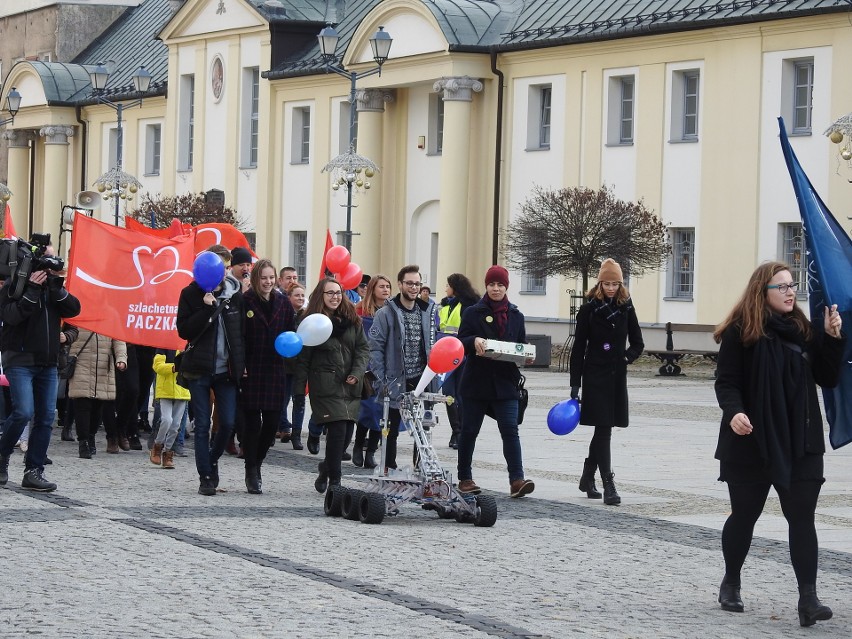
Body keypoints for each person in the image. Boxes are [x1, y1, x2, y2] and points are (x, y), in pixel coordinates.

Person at [713, 261, 844, 626]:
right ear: (762, 291)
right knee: (745, 515)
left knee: (802, 517)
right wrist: (734, 412)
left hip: (800, 440)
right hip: (751, 438)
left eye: (792, 285)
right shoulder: (742, 332)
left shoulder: (804, 330)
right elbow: (727, 382)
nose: (790, 292)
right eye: (782, 287)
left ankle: (808, 599)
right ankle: (731, 581)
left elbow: (828, 378)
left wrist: (832, 338)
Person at [0, 245, 81, 491]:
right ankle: (2, 457)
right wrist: (32, 290)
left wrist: (56, 286)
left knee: (46, 417)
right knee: (24, 411)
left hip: (48, 362)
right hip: (20, 359)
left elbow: (75, 309)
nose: (49, 268)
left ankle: (33, 470)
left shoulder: (54, 290)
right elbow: (11, 317)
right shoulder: (14, 286)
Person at [455, 265, 535, 498]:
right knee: (469, 431)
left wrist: (526, 356)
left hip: (505, 383)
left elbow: (520, 343)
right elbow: (461, 342)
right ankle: (465, 478)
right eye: (492, 284)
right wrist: (474, 341)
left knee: (510, 430)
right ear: (486, 286)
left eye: (500, 285)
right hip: (476, 382)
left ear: (506, 287)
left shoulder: (516, 316)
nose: (496, 289)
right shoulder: (472, 312)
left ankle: (517, 480)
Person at [569, 258, 644, 505]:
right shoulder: (589, 309)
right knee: (603, 429)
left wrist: (626, 357)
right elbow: (579, 347)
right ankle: (608, 483)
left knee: (605, 428)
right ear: (599, 283)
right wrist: (575, 384)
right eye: (607, 283)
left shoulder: (626, 306)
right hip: (594, 374)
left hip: (616, 375)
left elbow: (638, 342)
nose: (611, 288)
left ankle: (588, 475)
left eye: (615, 283)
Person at [176, 244, 246, 496]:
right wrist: (206, 308)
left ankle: (212, 459)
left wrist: (241, 365)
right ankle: (205, 476)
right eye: (218, 266)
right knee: (203, 424)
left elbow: (240, 335)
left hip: (226, 371)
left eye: (226, 267)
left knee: (227, 424)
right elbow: (184, 330)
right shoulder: (190, 293)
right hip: (199, 369)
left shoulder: (234, 295)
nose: (222, 271)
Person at [293, 277, 368, 493]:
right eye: (330, 293)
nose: (335, 297)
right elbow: (303, 358)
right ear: (321, 296)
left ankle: (326, 468)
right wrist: (299, 390)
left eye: (338, 292)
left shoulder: (352, 318)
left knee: (346, 436)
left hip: (350, 384)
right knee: (337, 431)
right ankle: (336, 482)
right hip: (325, 385)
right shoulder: (312, 322)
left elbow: (363, 349)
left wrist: (356, 373)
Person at [368, 265, 436, 471]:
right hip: (396, 378)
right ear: (400, 284)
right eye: (409, 283)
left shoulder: (427, 311)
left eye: (417, 283)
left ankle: (420, 467)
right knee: (391, 425)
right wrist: (384, 378)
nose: (414, 287)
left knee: (423, 426)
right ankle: (388, 467)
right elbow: (375, 348)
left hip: (421, 377)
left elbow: (432, 344)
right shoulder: (386, 313)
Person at [241, 259, 295, 493]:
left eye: (271, 278)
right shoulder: (245, 301)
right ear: (256, 279)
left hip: (274, 368)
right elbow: (239, 336)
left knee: (272, 422)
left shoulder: (283, 303)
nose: (268, 282)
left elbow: (291, 333)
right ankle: (251, 470)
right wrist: (240, 364)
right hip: (251, 368)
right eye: (264, 278)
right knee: (252, 424)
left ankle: (257, 461)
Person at [68, 328, 128, 457]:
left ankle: (91, 436)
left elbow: (118, 339)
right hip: (81, 363)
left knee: (97, 407)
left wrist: (121, 358)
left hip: (102, 367)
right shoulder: (77, 313)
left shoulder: (110, 315)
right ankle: (83, 442)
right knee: (82, 404)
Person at [352, 274, 392, 468]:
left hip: (386, 369)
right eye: (381, 286)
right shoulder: (360, 311)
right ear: (373, 289)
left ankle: (371, 451)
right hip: (366, 368)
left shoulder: (393, 311)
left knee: (382, 411)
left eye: (388, 287)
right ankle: (358, 445)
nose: (385, 290)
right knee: (367, 409)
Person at [436, 273, 480, 449]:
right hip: (446, 355)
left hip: (464, 354)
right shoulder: (444, 305)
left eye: (448, 285)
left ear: (455, 287)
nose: (445, 288)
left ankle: (461, 431)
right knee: (448, 394)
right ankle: (456, 429)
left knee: (461, 394)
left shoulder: (469, 305)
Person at [149, 350, 190, 469]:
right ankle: (157, 445)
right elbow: (157, 366)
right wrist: (173, 368)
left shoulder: (187, 346)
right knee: (166, 420)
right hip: (165, 390)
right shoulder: (164, 346)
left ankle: (168, 452)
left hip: (182, 390)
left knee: (176, 425)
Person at [280, 282, 306, 448]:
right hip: (283, 364)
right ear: (288, 297)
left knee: (300, 400)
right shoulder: (283, 314)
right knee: (282, 398)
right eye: (297, 295)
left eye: (302, 295)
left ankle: (296, 434)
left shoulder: (307, 316)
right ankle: (283, 426)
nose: (300, 298)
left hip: (300, 365)